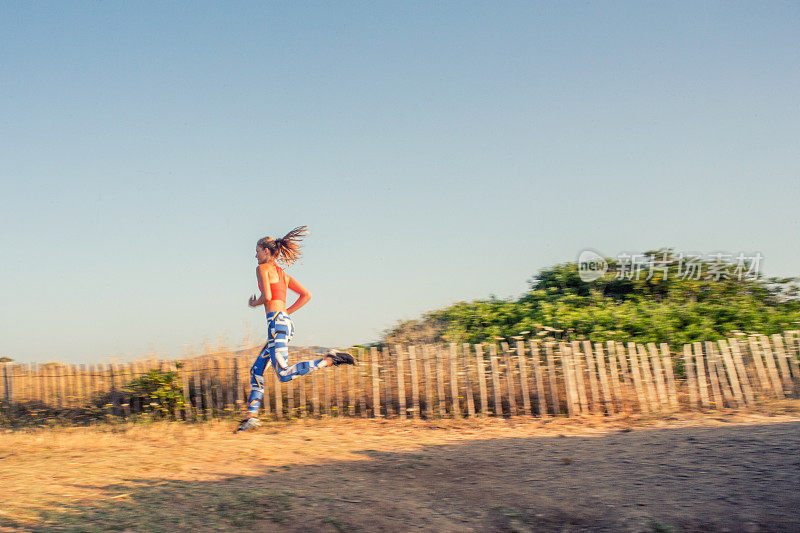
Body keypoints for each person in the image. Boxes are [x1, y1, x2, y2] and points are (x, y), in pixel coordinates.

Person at [236, 226, 354, 432]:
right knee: (256, 370)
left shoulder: (262, 269)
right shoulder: (283, 274)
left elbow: (268, 297)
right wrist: (286, 313)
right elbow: (306, 295)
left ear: (266, 251)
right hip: (282, 323)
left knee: (282, 373)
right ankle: (251, 418)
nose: (255, 255)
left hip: (276, 325)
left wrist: (255, 303)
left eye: (257, 250)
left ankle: (330, 360)